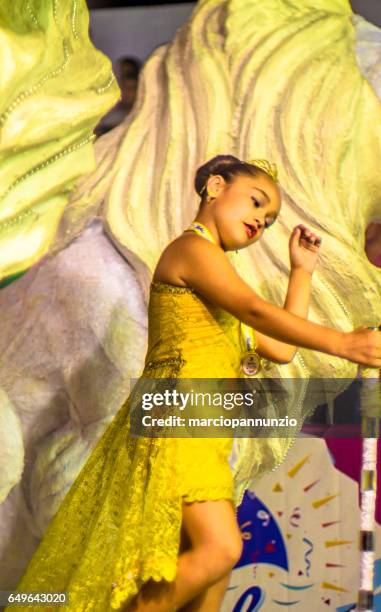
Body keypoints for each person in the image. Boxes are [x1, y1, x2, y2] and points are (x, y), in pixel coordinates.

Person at [6, 155, 381, 612]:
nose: (259, 221)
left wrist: (301, 271)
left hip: (205, 431)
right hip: (177, 415)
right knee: (220, 548)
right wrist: (344, 344)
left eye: (267, 220)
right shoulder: (192, 250)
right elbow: (258, 311)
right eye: (256, 203)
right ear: (216, 186)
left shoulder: (218, 288)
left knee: (210, 578)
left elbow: (279, 347)